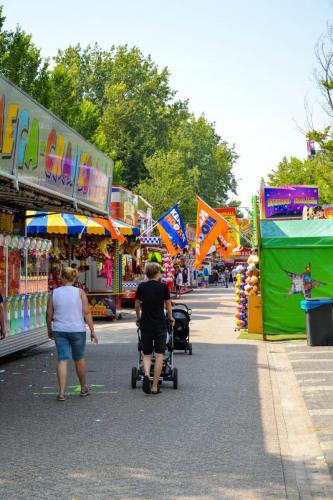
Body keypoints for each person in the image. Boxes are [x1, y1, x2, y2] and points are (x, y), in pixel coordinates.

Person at [46, 267, 98, 401]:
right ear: (74, 278)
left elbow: (49, 313)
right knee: (79, 359)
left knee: (62, 359)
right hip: (77, 330)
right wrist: (92, 331)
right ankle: (83, 388)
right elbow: (87, 312)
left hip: (60, 330)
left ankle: (62, 393)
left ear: (62, 277)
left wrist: (49, 328)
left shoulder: (54, 293)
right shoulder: (80, 292)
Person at [135, 262, 175, 395]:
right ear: (158, 273)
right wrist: (171, 317)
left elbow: (137, 305)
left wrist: (138, 317)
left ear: (146, 273)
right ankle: (154, 386)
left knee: (146, 354)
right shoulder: (163, 287)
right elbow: (168, 305)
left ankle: (146, 374)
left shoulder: (141, 287)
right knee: (159, 355)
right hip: (160, 324)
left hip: (145, 323)